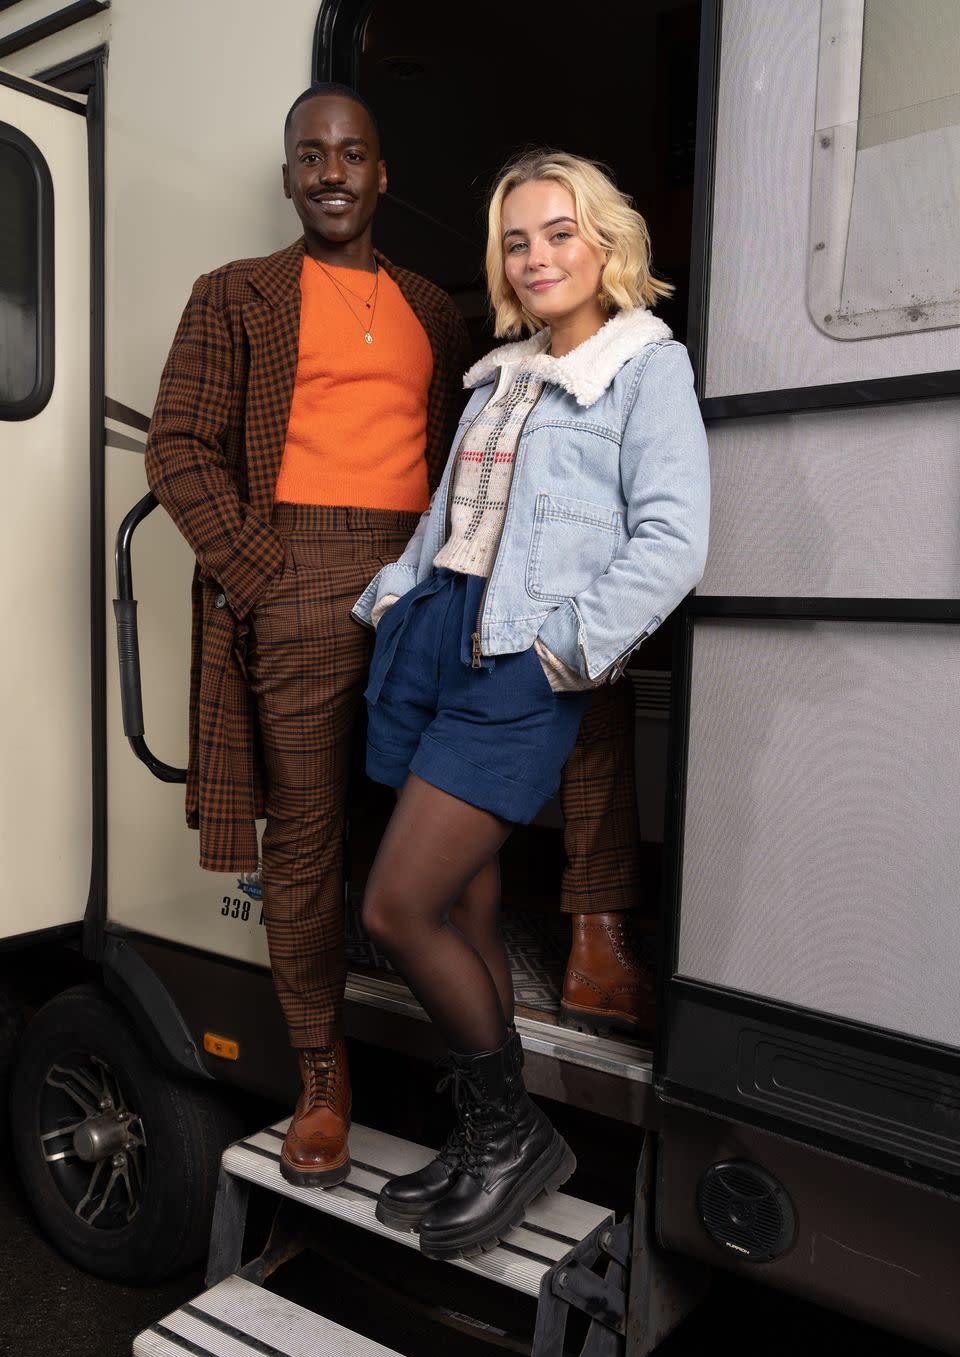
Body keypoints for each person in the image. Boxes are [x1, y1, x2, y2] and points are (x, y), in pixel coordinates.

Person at [354, 150, 710, 1259]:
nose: (538, 255)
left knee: (393, 909)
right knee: (458, 905)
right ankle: (480, 1136)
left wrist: (565, 654)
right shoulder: (496, 376)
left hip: (516, 658)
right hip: (431, 640)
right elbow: (446, 523)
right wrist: (391, 602)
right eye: (518, 239)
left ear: (606, 243)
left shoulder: (644, 369)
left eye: (560, 232)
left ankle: (516, 1141)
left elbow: (673, 542)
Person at [145, 83, 471, 1188]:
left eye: (352, 154)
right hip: (297, 577)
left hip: (423, 578)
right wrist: (263, 576)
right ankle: (322, 1079)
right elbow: (178, 448)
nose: (331, 172)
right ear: (289, 177)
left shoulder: (435, 306)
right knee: (310, 839)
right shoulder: (235, 294)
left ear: (384, 176)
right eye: (310, 155)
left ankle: (472, 1066)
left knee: (448, 810)